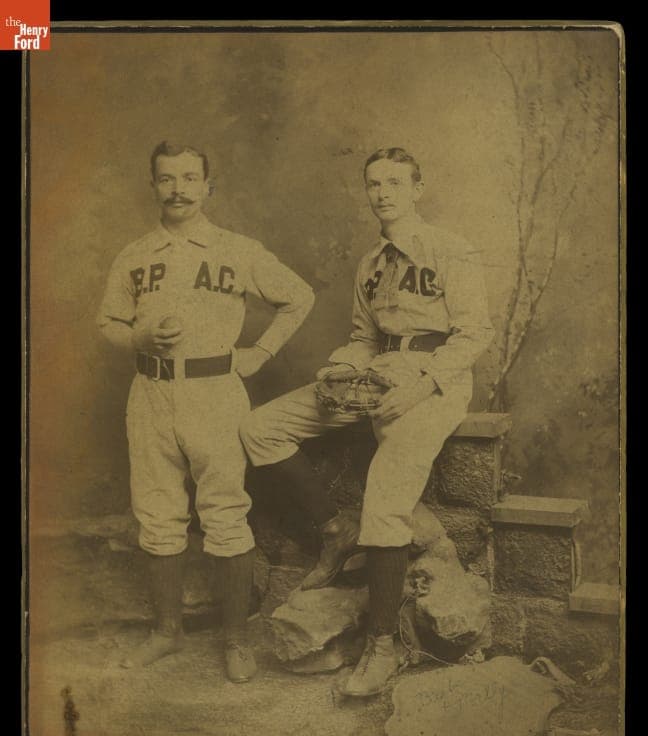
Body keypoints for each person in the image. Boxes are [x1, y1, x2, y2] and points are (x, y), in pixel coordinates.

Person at [239, 147, 494, 696]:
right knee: (261, 428)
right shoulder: (371, 262)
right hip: (378, 371)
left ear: (418, 189)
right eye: (374, 184)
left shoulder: (450, 248)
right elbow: (364, 337)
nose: (383, 193)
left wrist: (419, 388)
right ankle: (335, 529)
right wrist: (340, 369)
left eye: (395, 183)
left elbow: (474, 334)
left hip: (435, 379)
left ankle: (382, 645)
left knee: (385, 498)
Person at [97, 141, 314, 682]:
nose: (179, 189)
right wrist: (140, 337)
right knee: (156, 511)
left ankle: (236, 639)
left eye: (190, 178)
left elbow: (299, 296)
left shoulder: (236, 249)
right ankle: (166, 632)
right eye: (167, 179)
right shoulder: (134, 254)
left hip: (214, 390)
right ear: (153, 186)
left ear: (208, 187)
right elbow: (109, 323)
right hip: (150, 391)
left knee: (224, 511)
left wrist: (261, 352)